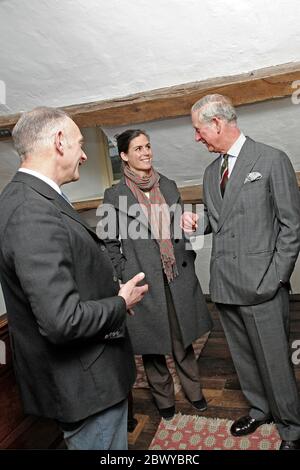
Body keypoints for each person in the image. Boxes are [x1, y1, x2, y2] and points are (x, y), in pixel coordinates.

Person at [0, 107, 148, 450]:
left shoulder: (34, 196)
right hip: (85, 385)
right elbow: (61, 321)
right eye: (80, 144)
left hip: (87, 378)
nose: (84, 154)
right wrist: (120, 302)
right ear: (59, 141)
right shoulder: (30, 211)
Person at [181, 93, 300, 450]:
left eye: (199, 130)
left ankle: (292, 428)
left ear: (217, 123)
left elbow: (292, 226)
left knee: (276, 363)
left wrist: (275, 278)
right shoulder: (209, 172)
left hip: (262, 286)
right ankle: (259, 408)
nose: (196, 137)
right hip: (225, 284)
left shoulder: (271, 159)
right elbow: (222, 220)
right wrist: (196, 221)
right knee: (244, 357)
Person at [99, 129, 212, 420]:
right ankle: (164, 399)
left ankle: (194, 391)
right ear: (124, 155)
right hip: (143, 280)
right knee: (152, 345)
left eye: (148, 146)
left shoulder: (169, 185)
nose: (146, 152)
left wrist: (188, 237)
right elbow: (109, 242)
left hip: (176, 274)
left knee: (182, 337)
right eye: (137, 148)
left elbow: (180, 227)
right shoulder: (115, 195)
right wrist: (122, 273)